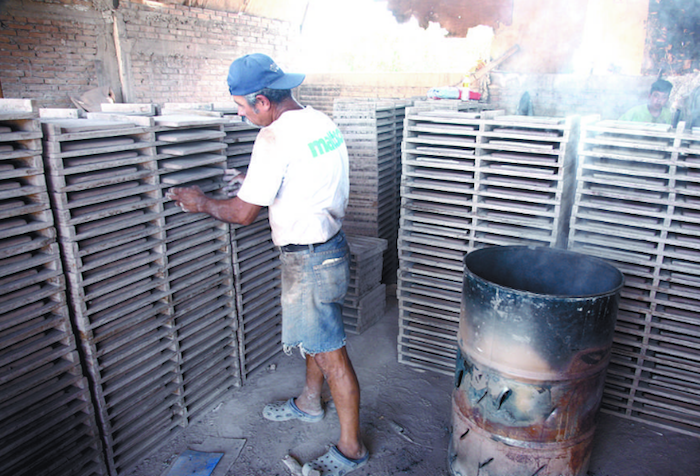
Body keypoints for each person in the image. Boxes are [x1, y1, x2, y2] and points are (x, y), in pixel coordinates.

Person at [166, 53, 368, 476]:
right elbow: (307, 177)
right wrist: (257, 186)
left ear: (262, 100)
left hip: (310, 258)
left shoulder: (274, 138)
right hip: (331, 243)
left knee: (331, 353)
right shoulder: (319, 122)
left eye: (242, 106)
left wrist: (201, 202)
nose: (240, 115)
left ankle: (351, 449)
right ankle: (310, 403)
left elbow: (242, 215)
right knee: (317, 335)